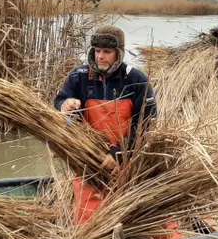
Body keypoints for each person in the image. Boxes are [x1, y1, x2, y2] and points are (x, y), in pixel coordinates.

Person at [54, 25, 157, 223]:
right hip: (90, 159)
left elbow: (146, 124)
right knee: (88, 220)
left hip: (127, 159)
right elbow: (60, 100)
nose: (100, 56)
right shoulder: (79, 76)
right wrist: (65, 105)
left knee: (128, 217)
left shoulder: (137, 80)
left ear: (119, 54)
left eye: (107, 52)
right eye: (97, 51)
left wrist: (119, 153)